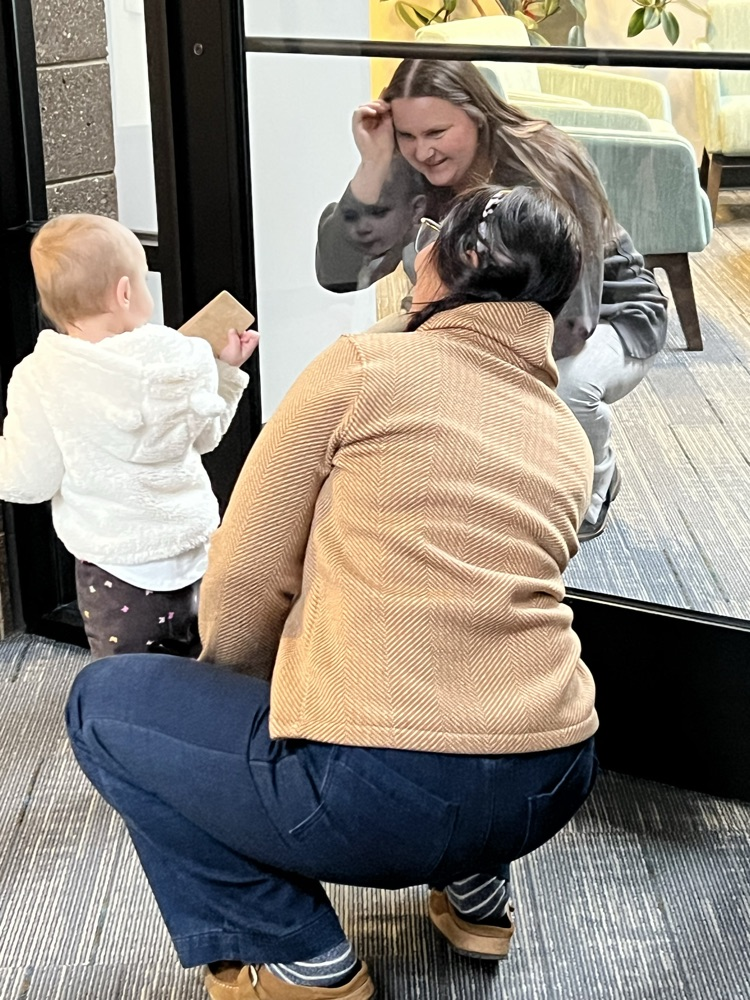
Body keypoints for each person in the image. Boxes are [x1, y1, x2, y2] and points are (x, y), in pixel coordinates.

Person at [66, 184, 598, 1000]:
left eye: (430, 236)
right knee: (464, 653)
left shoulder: (362, 368)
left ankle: (298, 954)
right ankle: (478, 891)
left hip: (379, 797)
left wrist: (234, 710)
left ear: (453, 260)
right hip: (551, 778)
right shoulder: (564, 429)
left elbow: (248, 571)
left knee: (104, 705)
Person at [316, 59, 669, 541]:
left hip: (604, 312)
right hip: (463, 315)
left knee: (567, 387)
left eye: (437, 132)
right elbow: (338, 275)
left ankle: (597, 479)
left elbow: (575, 320)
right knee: (376, 371)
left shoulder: (545, 162)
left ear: (477, 116)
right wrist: (373, 165)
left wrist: (467, 366)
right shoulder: (409, 169)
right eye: (407, 135)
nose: (423, 151)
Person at [0, 213, 257, 659]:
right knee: (208, 665)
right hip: (196, 554)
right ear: (124, 292)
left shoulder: (41, 377)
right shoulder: (183, 359)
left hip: (115, 569)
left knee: (128, 683)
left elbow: (29, 481)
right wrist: (226, 372)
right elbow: (206, 437)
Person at [316, 153, 426, 292]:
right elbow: (331, 275)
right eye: (351, 216)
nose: (362, 227)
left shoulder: (424, 251)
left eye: (378, 212)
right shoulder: (362, 256)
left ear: (416, 209)